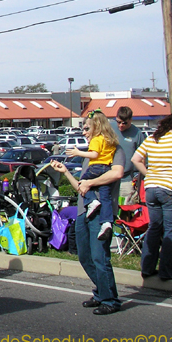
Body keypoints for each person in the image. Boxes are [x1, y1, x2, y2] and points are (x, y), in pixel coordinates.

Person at [51, 124, 124, 315]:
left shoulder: (114, 149)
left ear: (98, 128)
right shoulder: (89, 156)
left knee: (100, 257)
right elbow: (81, 187)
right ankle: (101, 293)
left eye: (87, 128)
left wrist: (91, 182)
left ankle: (110, 300)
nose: (83, 132)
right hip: (84, 211)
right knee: (84, 256)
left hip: (102, 213)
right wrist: (65, 171)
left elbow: (117, 173)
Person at [131, 112, 172, 281]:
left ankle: (147, 267)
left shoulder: (153, 138)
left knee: (154, 227)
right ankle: (167, 270)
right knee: (171, 231)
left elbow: (135, 159)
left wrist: (149, 174)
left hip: (151, 188)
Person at [66, 110, 120, 241]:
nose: (84, 132)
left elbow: (94, 155)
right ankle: (106, 223)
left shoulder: (97, 139)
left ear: (96, 126)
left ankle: (91, 201)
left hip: (96, 167)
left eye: (87, 128)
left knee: (83, 181)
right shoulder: (110, 140)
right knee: (105, 197)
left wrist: (78, 152)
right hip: (106, 168)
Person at [110, 106, 146, 201]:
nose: (121, 125)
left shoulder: (137, 134)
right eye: (118, 122)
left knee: (125, 210)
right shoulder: (110, 128)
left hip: (126, 180)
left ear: (131, 120)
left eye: (124, 123)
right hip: (108, 176)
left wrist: (137, 178)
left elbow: (143, 158)